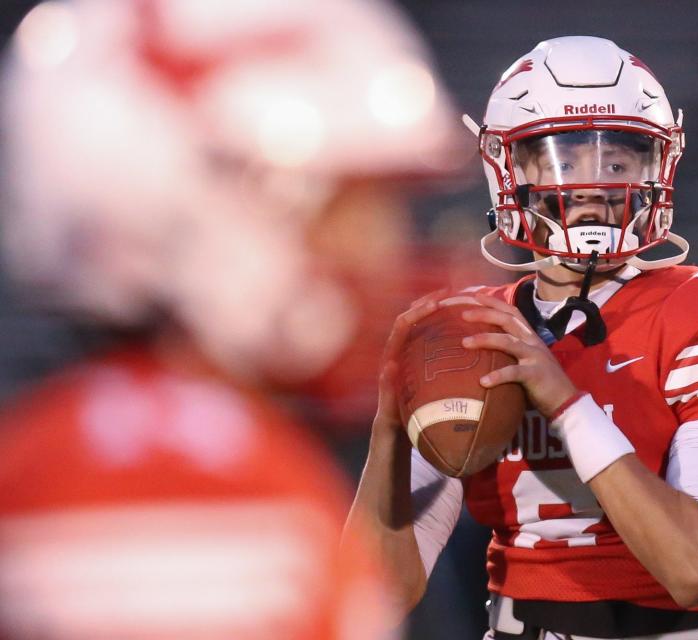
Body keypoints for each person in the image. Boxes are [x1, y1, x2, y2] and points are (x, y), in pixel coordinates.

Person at [0, 0, 455, 638]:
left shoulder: (242, 445)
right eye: (350, 208)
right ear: (200, 209)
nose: (385, 251)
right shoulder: (176, 479)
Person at [346, 36, 698, 640]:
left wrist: (565, 403)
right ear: (509, 173)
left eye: (617, 162)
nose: (592, 185)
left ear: (657, 168)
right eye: (565, 159)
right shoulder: (468, 333)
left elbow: (695, 570)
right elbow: (376, 593)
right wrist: (389, 426)